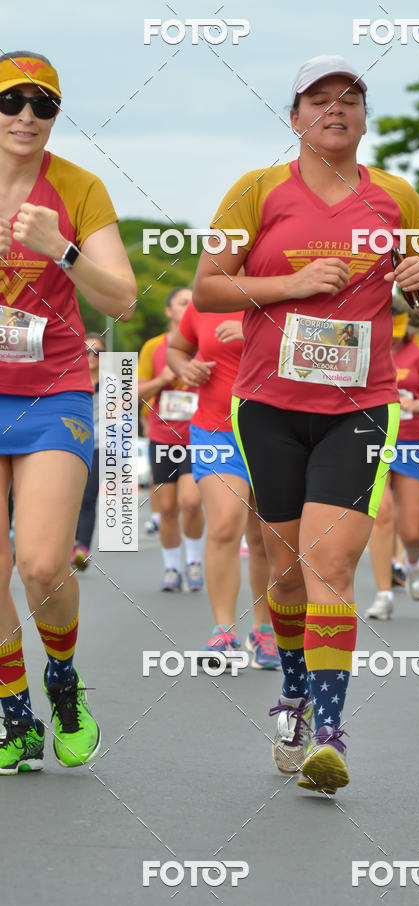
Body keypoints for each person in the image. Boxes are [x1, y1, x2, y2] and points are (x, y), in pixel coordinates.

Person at [192, 55, 419, 793]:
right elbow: (208, 288)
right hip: (267, 404)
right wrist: (291, 285)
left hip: (360, 404)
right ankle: (294, 695)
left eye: (351, 99)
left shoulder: (397, 196)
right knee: (288, 568)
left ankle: (329, 733)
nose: (336, 108)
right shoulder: (257, 190)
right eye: (320, 99)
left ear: (365, 119)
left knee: (331, 565)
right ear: (295, 116)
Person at [0, 51, 136, 773]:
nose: (26, 115)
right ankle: (15, 712)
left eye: (42, 104)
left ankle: (62, 680)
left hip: (51, 390)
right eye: (11, 101)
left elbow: (120, 299)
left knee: (43, 563)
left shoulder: (78, 188)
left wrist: (62, 249)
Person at [167, 301, 280, 669]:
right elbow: (177, 349)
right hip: (216, 429)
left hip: (275, 430)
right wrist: (187, 367)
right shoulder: (205, 299)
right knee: (225, 523)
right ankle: (224, 631)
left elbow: (319, 349)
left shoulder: (283, 289)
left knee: (265, 536)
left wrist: (255, 333)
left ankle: (263, 630)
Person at [366, 310, 419, 615]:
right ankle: (384, 595)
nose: (395, 336)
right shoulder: (362, 340)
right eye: (391, 329)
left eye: (400, 329)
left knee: (411, 531)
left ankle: (413, 562)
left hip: (412, 444)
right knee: (382, 513)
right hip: (372, 440)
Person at [138, 287, 205, 592]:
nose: (189, 307)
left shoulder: (206, 342)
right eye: (182, 302)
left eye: (194, 303)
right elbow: (132, 394)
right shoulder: (154, 346)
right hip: (163, 437)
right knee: (166, 508)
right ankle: (171, 567)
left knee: (191, 502)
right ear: (169, 311)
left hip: (198, 435)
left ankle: (193, 562)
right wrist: (163, 379)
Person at [71, 333, 105, 570]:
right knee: (68, 497)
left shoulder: (113, 383)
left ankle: (82, 547)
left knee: (87, 498)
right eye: (86, 352)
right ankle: (68, 544)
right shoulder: (70, 380)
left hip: (100, 446)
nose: (91, 357)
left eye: (98, 353)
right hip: (71, 444)